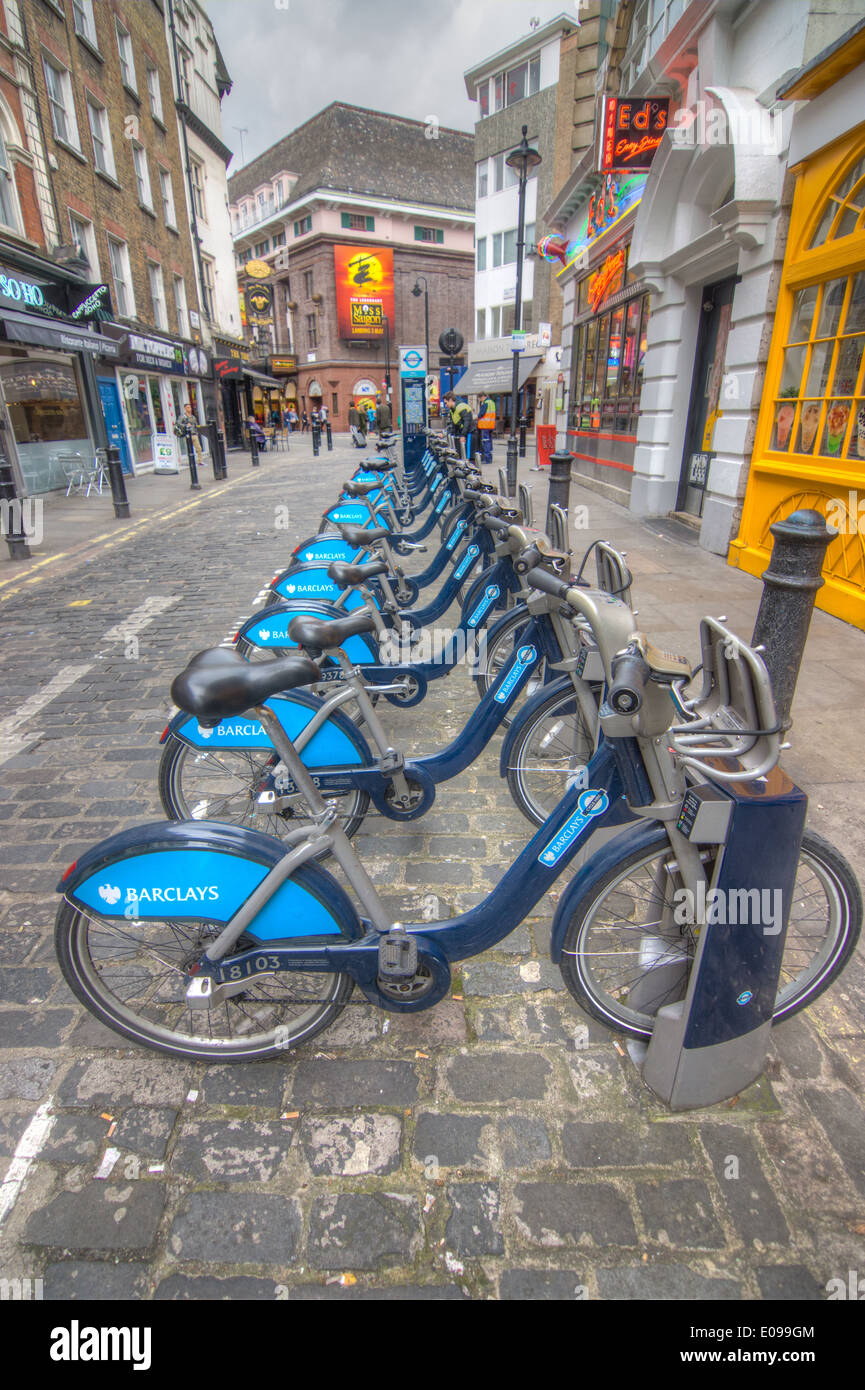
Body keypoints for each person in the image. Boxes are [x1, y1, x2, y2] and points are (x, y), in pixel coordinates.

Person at [443, 391, 474, 460]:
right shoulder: (452, 410)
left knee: (467, 456)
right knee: (461, 454)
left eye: (446, 403)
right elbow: (453, 424)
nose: (445, 405)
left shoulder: (461, 407)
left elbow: (467, 422)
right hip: (462, 433)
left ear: (450, 400)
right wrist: (446, 433)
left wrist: (463, 435)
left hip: (469, 433)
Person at [175, 402, 203, 468]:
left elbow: (196, 425)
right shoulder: (182, 416)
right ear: (185, 408)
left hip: (194, 434)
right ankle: (191, 462)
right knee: (189, 449)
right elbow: (178, 423)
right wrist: (185, 425)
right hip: (187, 435)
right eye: (188, 407)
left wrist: (197, 432)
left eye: (190, 407)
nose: (189, 409)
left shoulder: (193, 417)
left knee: (199, 448)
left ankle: (200, 461)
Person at [476, 393, 496, 465]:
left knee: (485, 442)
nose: (480, 400)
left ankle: (487, 459)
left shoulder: (485, 403)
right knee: (489, 442)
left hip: (485, 425)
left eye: (480, 399)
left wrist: (477, 417)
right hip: (491, 425)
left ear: (483, 397)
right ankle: (490, 458)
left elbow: (481, 414)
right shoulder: (492, 402)